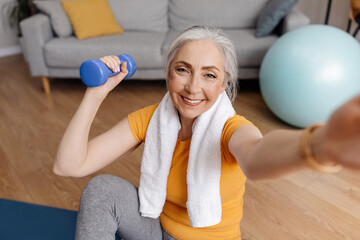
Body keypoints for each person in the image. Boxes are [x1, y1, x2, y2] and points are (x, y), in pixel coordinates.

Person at [53, 25, 360, 240]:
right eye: (182, 69)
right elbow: (69, 165)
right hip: (156, 231)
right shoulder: (152, 120)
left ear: (224, 83)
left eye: (209, 75)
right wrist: (96, 94)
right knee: (103, 188)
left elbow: (256, 155)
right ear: (168, 72)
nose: (193, 87)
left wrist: (319, 145)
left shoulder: (230, 128)